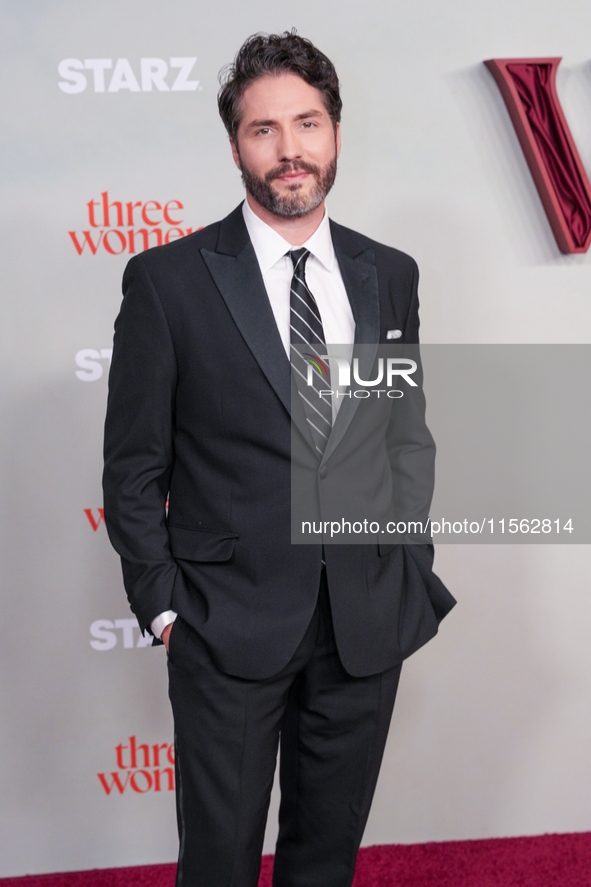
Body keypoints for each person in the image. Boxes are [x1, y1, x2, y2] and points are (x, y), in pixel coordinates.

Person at [103, 30, 455, 887]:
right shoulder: (169, 281)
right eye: (265, 129)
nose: (290, 150)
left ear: (335, 131)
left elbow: (401, 431)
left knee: (324, 859)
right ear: (235, 146)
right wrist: (164, 607)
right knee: (218, 864)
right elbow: (132, 466)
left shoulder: (388, 273)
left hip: (365, 621)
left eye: (307, 123)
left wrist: (406, 564)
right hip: (224, 623)